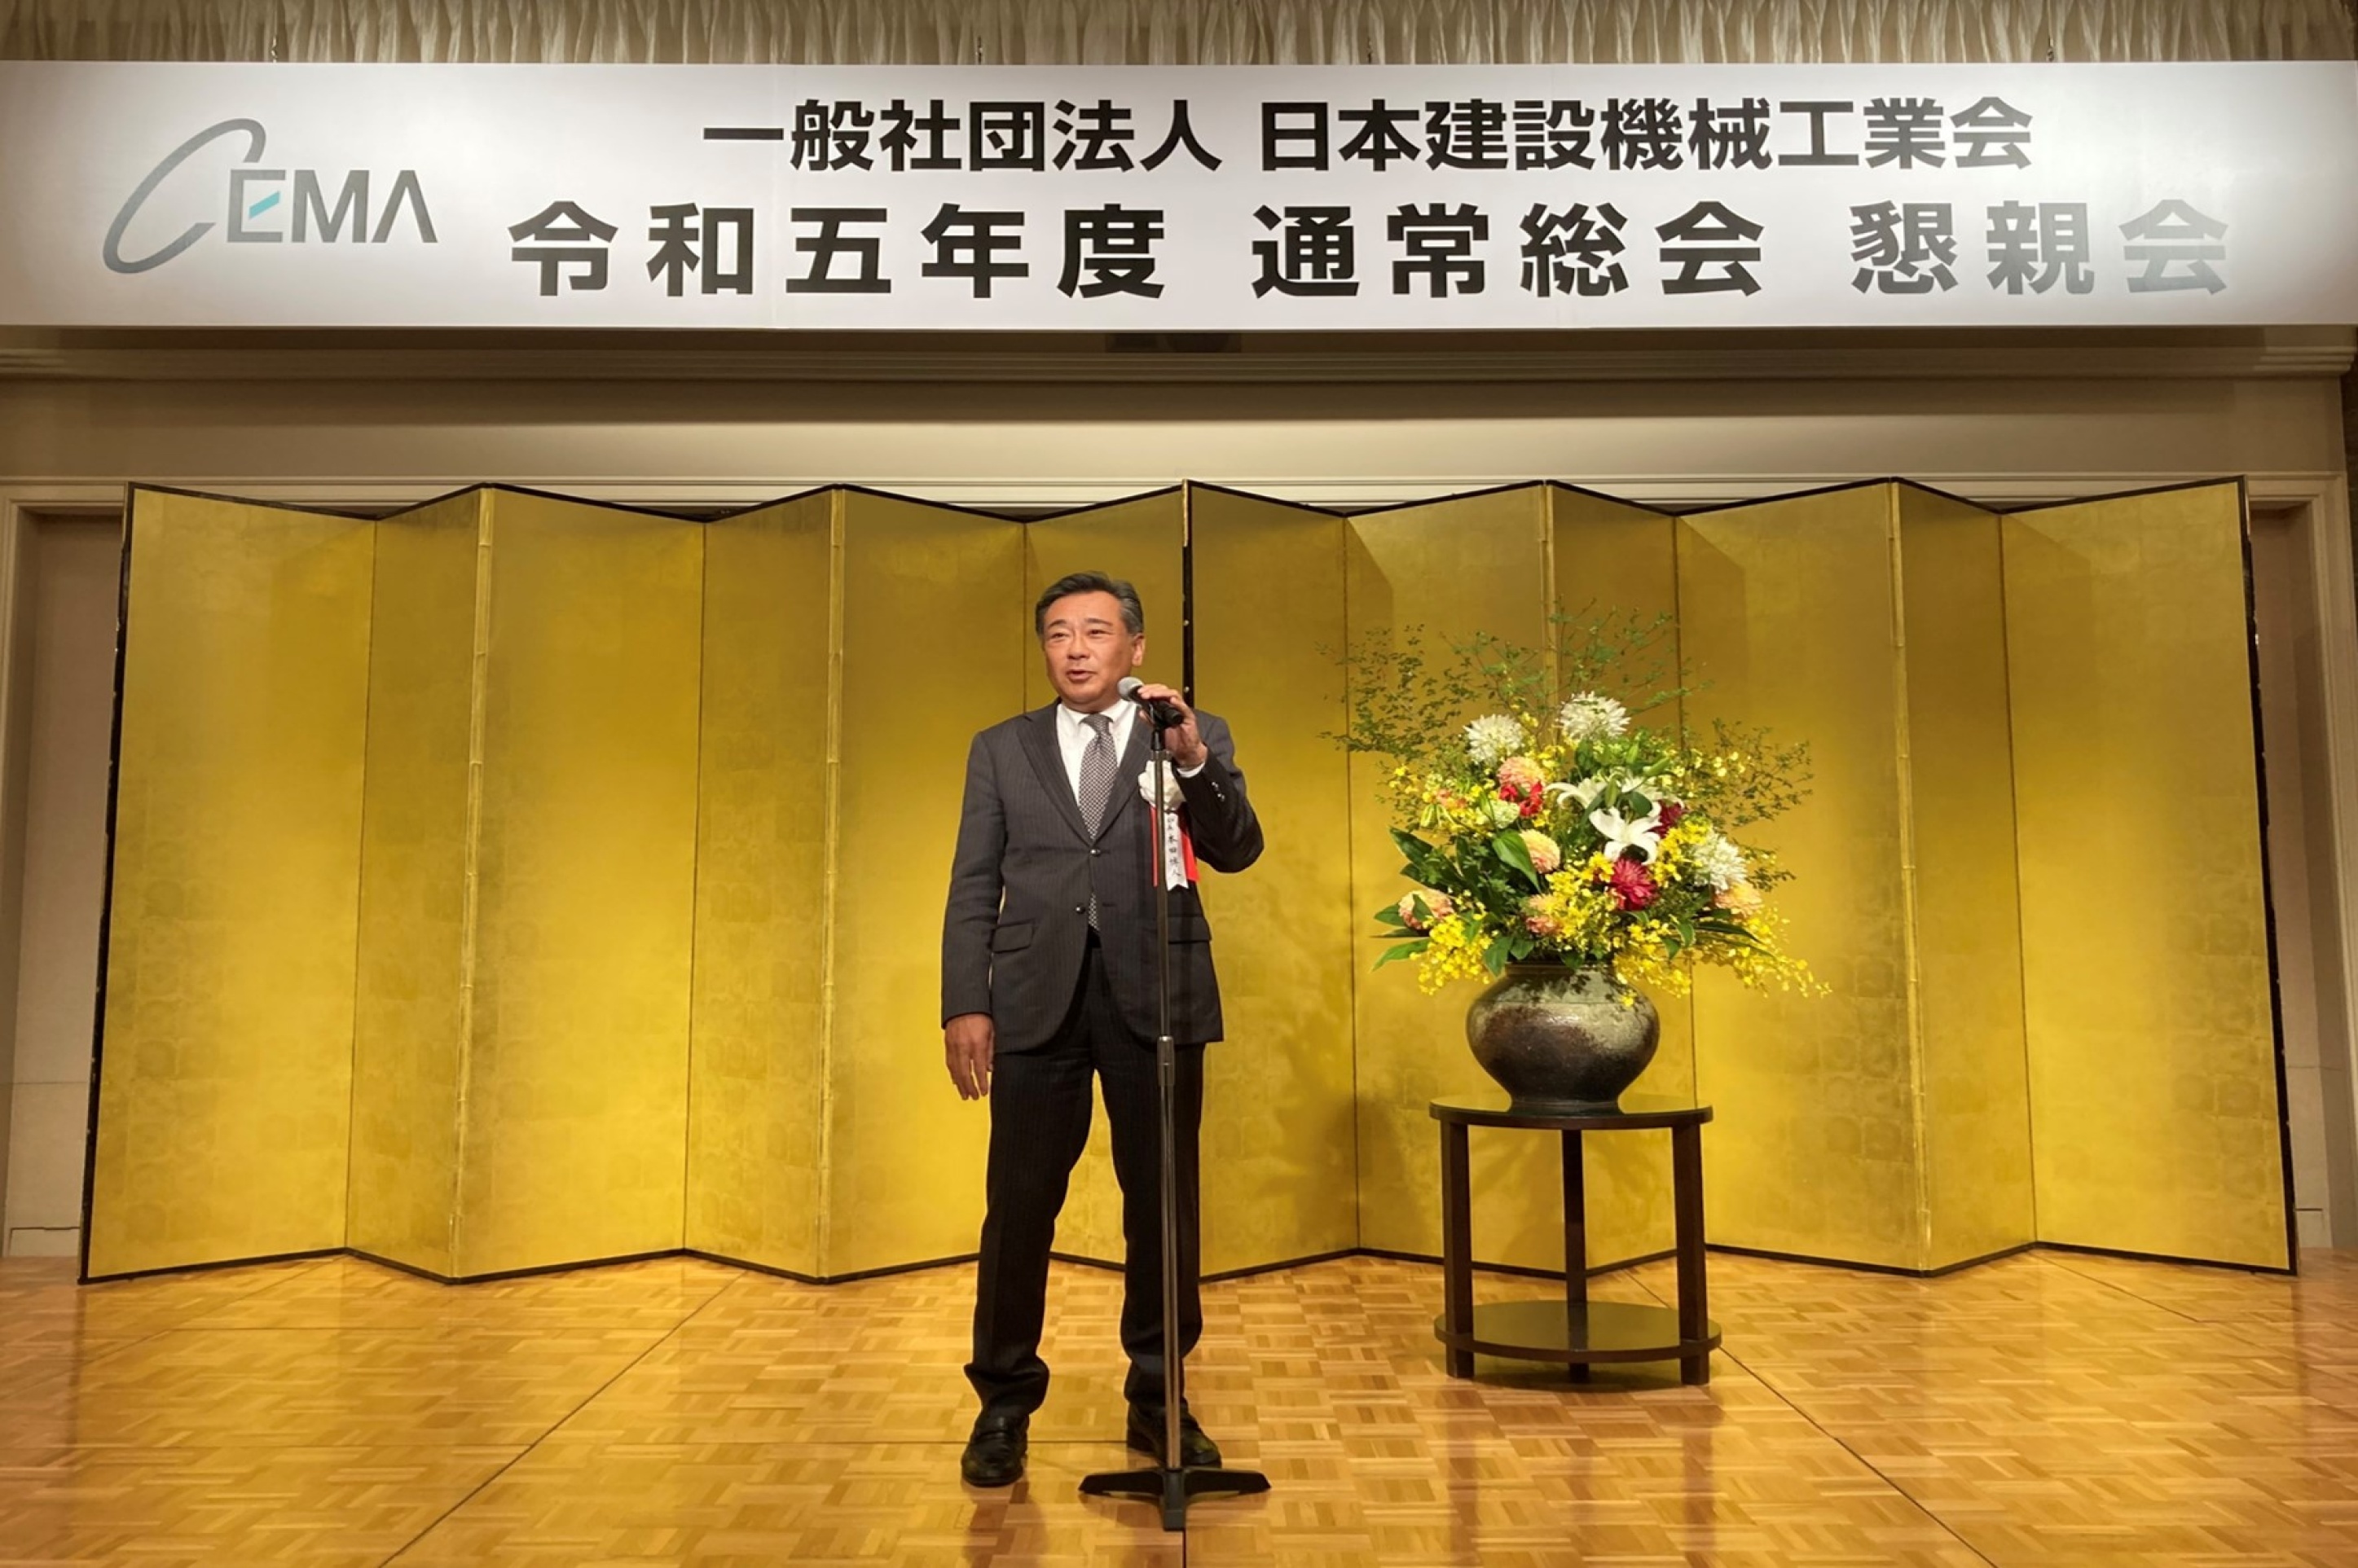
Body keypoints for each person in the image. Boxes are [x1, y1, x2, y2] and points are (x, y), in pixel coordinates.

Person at [940, 570, 1264, 1488]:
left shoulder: (1188, 733)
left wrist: (1193, 757)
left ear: (1135, 646)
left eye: (1093, 630)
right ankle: (1004, 1399)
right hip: (1034, 997)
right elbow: (973, 882)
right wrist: (966, 1001)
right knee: (1018, 1208)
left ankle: (1159, 1395)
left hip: (1157, 993)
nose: (1075, 649)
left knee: (1161, 1205)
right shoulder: (1001, 747)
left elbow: (1237, 848)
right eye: (1057, 633)